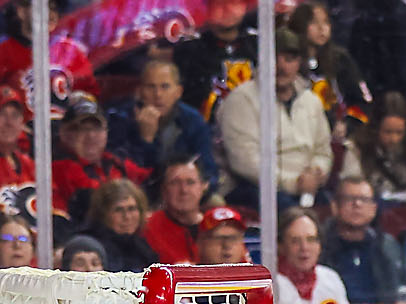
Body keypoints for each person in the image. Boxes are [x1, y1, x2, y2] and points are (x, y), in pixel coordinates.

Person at [218, 29, 333, 213]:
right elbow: (245, 162)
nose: (282, 67)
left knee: (338, 210)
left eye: (289, 60)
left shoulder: (311, 101)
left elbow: (323, 151)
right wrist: (293, 183)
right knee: (292, 214)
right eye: (274, 60)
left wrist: (316, 172)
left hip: (307, 186)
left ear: (299, 63)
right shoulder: (241, 99)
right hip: (257, 188)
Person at [106, 60, 219, 189]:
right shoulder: (119, 119)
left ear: (178, 92)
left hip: (182, 190)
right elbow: (121, 175)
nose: (158, 94)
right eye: (151, 87)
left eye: (165, 87)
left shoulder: (193, 121)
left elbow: (208, 171)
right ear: (140, 91)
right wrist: (146, 140)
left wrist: (202, 188)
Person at [0, 0, 98, 105]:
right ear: (21, 11)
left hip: (65, 124)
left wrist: (80, 99)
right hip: (20, 125)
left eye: (53, 8)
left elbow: (91, 95)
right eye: (43, 7)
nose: (50, 14)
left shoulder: (71, 52)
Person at [53, 93, 151, 225]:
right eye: (82, 129)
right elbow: (100, 204)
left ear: (106, 132)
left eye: (97, 128)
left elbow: (149, 178)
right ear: (65, 134)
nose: (91, 135)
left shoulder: (115, 161)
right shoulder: (61, 167)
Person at [319, 177, 406, 304]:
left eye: (364, 199)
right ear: (335, 207)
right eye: (349, 199)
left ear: (373, 209)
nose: (357, 204)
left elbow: (405, 290)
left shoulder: (388, 246)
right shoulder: (319, 246)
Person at [287, 1, 374, 128]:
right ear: (300, 25)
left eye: (326, 22)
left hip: (337, 133)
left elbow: (362, 102)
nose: (322, 28)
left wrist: (347, 125)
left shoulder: (340, 59)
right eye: (314, 22)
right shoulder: (289, 60)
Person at [172, 0, 258, 120]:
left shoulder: (259, 44)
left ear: (245, 6)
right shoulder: (189, 50)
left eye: (234, 2)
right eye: (218, 3)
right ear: (208, 8)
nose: (227, 9)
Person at [274, 208, 347, 304]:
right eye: (295, 241)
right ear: (281, 246)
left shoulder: (331, 279)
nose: (304, 247)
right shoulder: (272, 285)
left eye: (311, 239)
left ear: (319, 245)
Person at [81, 179, 158, 273]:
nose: (127, 217)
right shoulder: (90, 247)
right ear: (103, 214)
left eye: (132, 209)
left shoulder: (143, 248)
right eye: (118, 210)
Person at [144, 156, 209, 265]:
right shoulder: (147, 228)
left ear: (204, 186)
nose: (184, 190)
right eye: (175, 183)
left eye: (190, 182)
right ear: (163, 189)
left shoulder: (219, 225)